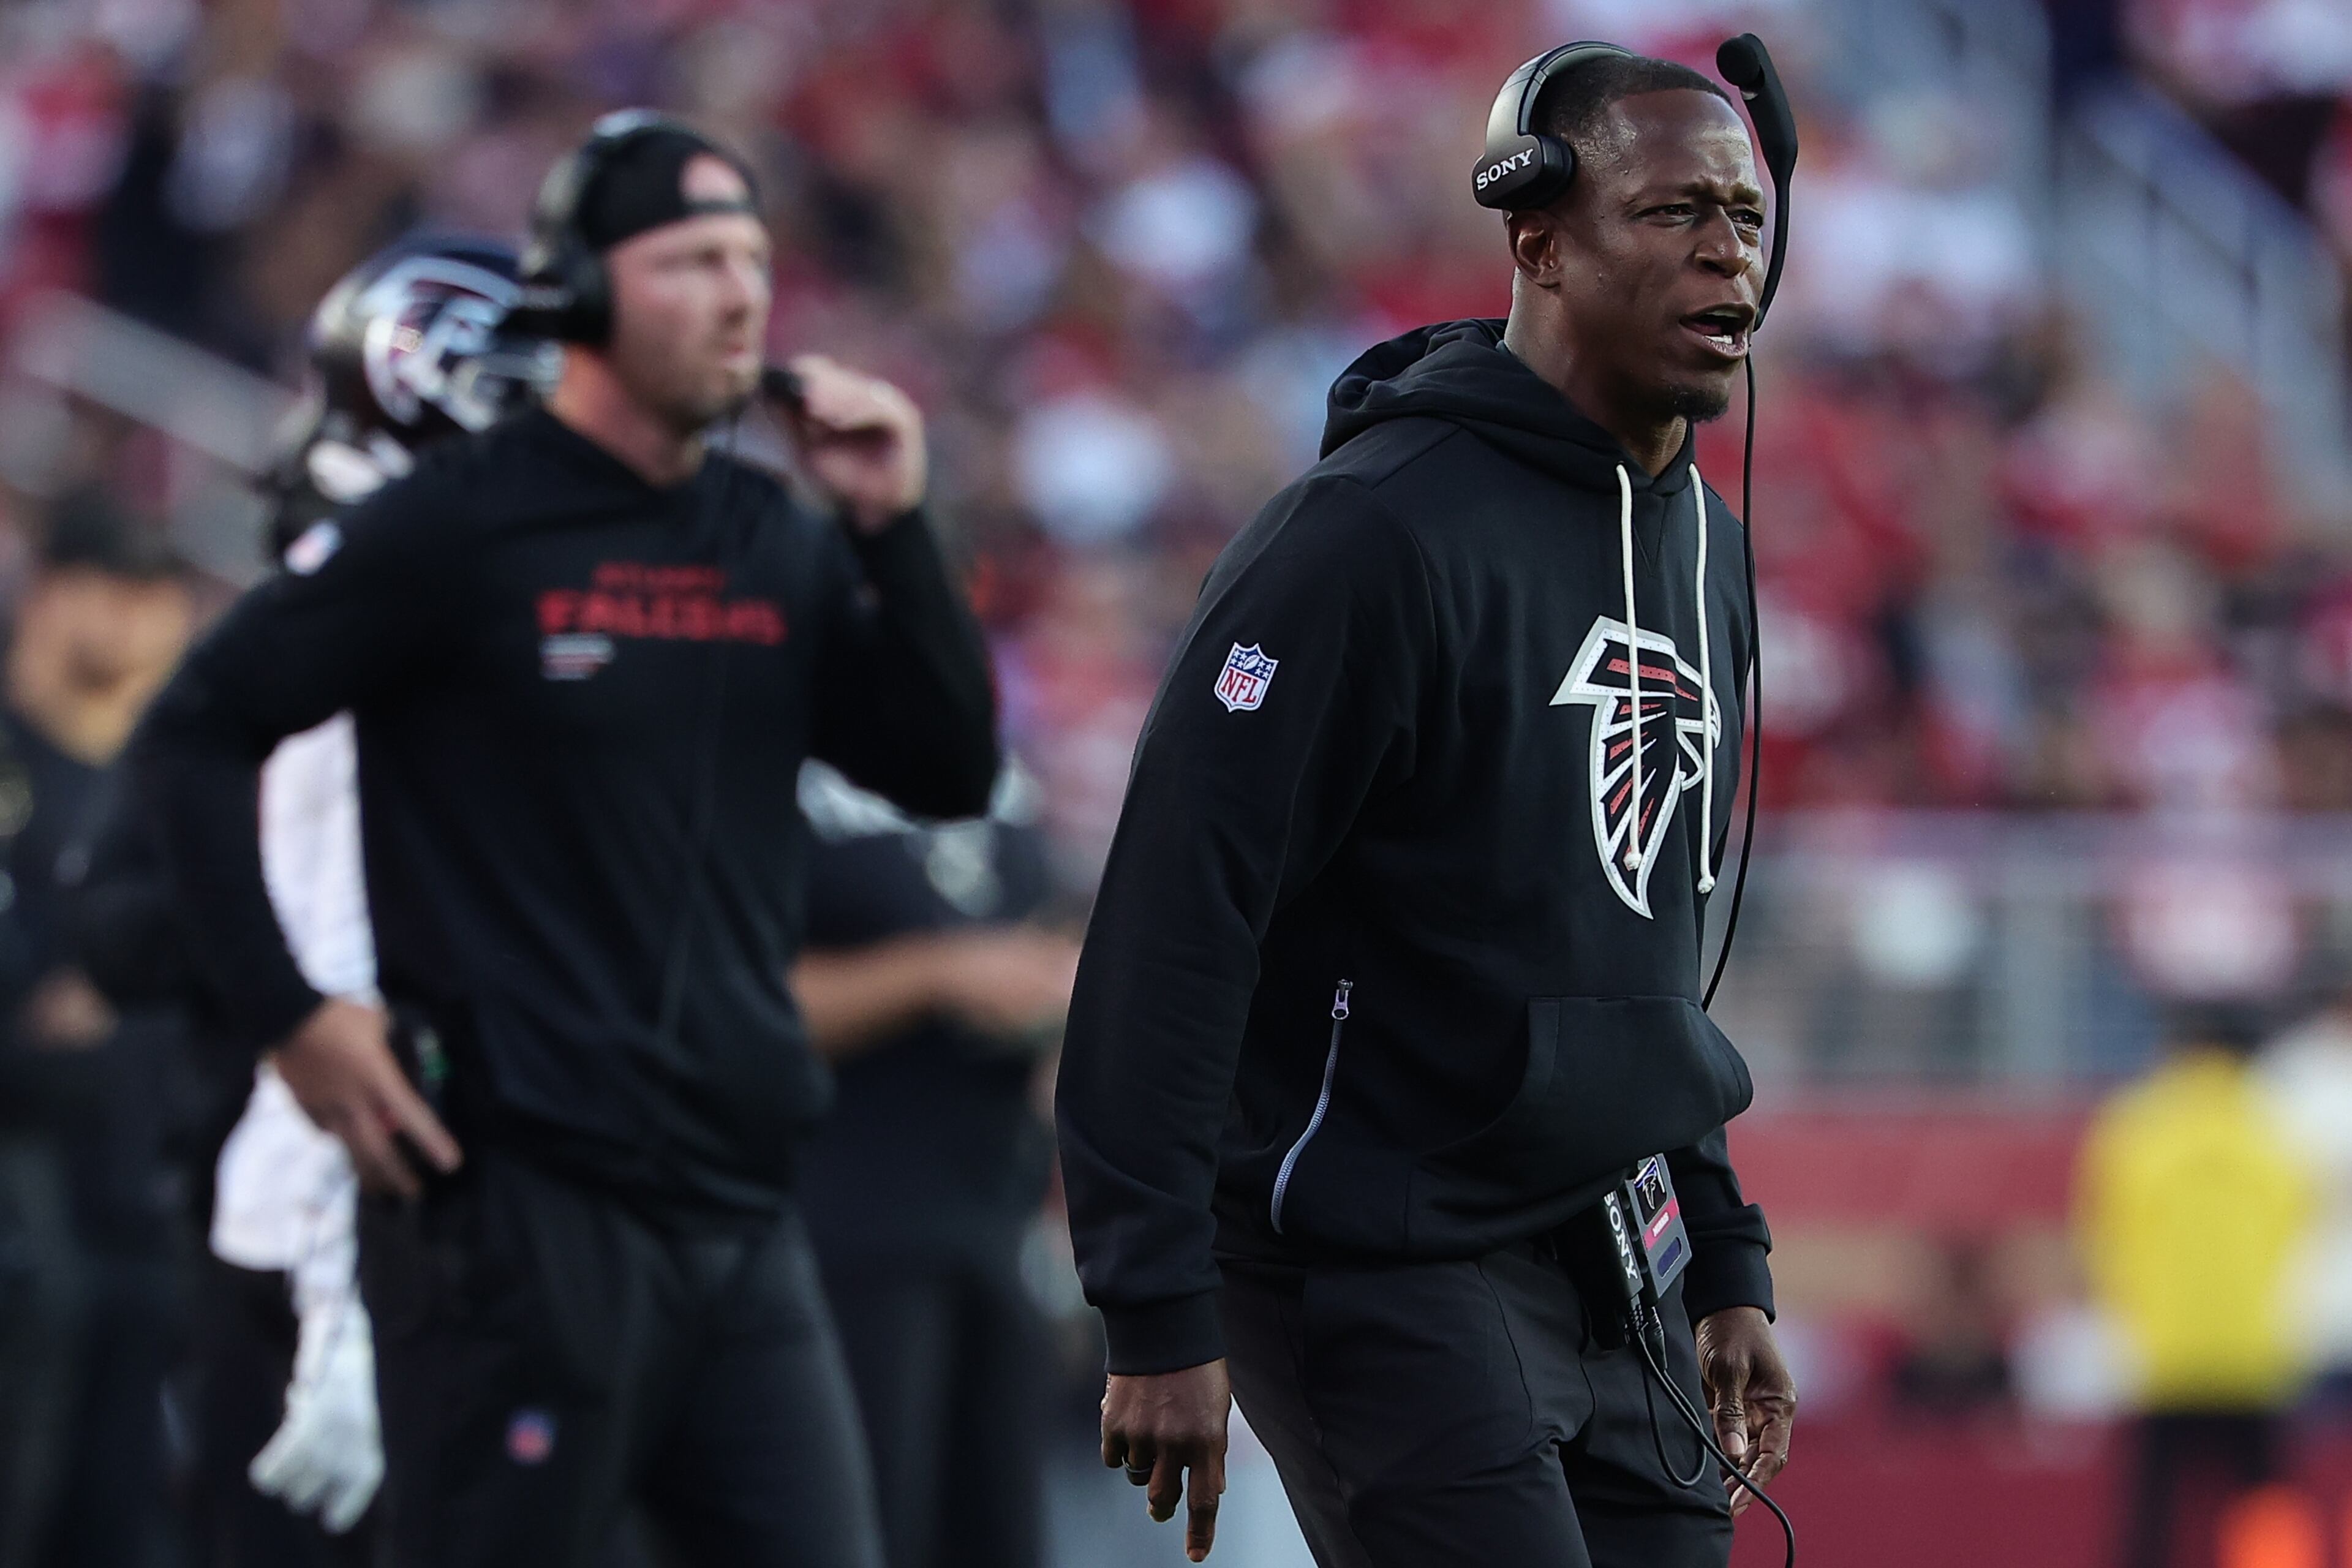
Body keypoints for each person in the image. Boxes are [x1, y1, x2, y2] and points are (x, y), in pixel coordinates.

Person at [131, 111, 997, 1568]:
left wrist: (890, 533)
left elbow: (944, 762)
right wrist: (290, 1013)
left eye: (753, 259)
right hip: (513, 1211)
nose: (740, 296)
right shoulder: (454, 526)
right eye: (691, 261)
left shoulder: (766, 529)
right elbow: (191, 733)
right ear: (581, 293)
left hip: (735, 1203)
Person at [1054, 48, 1796, 1568]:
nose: (1727, 251)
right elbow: (1175, 912)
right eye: (1669, 213)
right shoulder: (1366, 533)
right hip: (1376, 1244)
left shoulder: (1710, 551)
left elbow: (1645, 941)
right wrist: (1150, 1296)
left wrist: (1722, 1255)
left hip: (1612, 1250)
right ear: (1536, 239)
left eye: (1743, 213)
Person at [170, 232, 554, 1566]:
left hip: (378, 1219)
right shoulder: (381, 616)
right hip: (344, 1235)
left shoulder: (375, 581)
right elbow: (349, 972)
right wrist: (344, 1305)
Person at [791, 759, 1077, 1568]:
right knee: (868, 1533)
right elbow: (730, 1000)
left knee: (999, 1535)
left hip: (995, 1222)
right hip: (840, 1234)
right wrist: (937, 973)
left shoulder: (990, 756)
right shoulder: (775, 744)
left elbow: (1042, 925)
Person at [0, 492, 194, 1568]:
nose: (137, 620)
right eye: (113, 589)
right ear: (52, 592)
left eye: (156, 595)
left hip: (151, 1217)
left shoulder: (171, 790)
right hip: (27, 1217)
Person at [2078, 1005, 2316, 1568]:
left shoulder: (2137, 1124)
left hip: (2166, 1348)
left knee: (2154, 1501)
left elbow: (2105, 1231)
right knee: (2264, 1495)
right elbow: (2295, 1228)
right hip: (2251, 1346)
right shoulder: (2271, 1124)